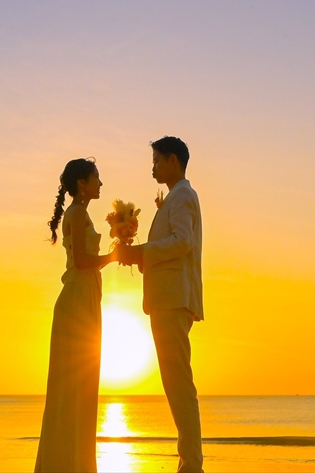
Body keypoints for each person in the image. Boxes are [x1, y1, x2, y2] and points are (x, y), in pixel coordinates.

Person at [116, 136, 204, 472]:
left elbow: (183, 242)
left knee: (179, 383)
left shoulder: (183, 196)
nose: (152, 167)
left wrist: (141, 252)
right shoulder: (174, 198)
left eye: (156, 160)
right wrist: (141, 257)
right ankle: (188, 461)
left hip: (173, 299)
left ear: (172, 160)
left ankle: (192, 465)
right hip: (168, 298)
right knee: (174, 382)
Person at [34, 158, 118, 473]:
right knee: (75, 388)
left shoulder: (78, 213)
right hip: (78, 301)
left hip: (82, 299)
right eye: (97, 178)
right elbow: (83, 261)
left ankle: (69, 462)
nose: (101, 184)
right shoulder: (78, 212)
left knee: (75, 389)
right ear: (82, 183)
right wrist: (114, 255)